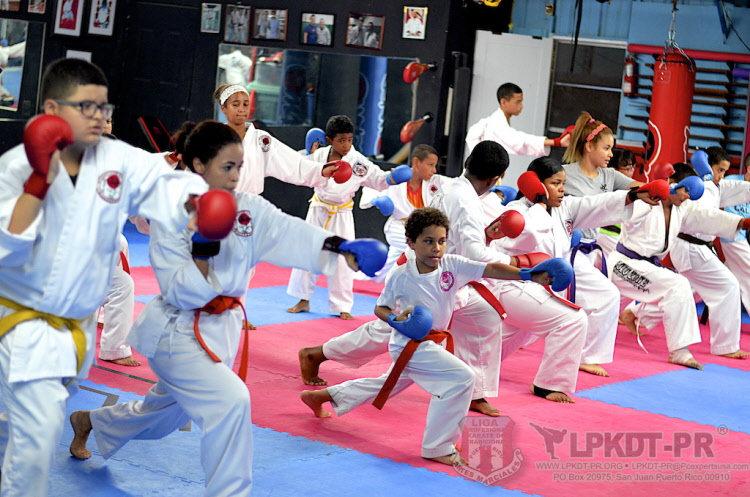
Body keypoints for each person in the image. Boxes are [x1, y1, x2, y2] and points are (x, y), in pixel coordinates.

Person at [68, 120, 387, 497]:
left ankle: (91, 421)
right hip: (178, 334)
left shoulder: (246, 207)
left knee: (162, 417)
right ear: (199, 165)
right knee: (232, 402)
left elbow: (289, 232)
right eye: (228, 166)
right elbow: (178, 288)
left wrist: (341, 248)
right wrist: (202, 250)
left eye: (240, 166)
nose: (237, 176)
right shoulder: (173, 211)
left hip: (222, 331)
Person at [0, 57, 213, 497]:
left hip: (75, 327)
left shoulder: (115, 165)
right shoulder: (17, 170)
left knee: (40, 413)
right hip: (26, 322)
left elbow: (165, 192)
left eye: (104, 107)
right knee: (36, 435)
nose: (99, 117)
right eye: (86, 107)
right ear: (53, 110)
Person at [299, 142, 588, 410]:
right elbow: (474, 253)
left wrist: (489, 237)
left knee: (484, 314)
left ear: (468, 162)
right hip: (422, 276)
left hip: (445, 273)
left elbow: (465, 243)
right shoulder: (465, 200)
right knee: (391, 333)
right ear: (496, 179)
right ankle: (318, 355)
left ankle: (474, 392)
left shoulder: (457, 188)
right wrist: (519, 264)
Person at [300, 207, 561, 465]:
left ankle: (320, 396)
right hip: (409, 343)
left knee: (386, 384)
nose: (436, 248)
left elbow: (490, 268)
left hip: (434, 342)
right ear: (411, 243)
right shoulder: (401, 275)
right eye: (428, 241)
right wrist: (396, 320)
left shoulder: (452, 265)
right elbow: (381, 307)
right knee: (462, 378)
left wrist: (527, 275)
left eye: (441, 241)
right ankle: (439, 446)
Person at [497, 158, 663, 377]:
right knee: (568, 321)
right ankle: (548, 383)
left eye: (563, 183)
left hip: (546, 285)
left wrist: (631, 196)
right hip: (518, 285)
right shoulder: (517, 210)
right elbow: (525, 236)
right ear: (537, 184)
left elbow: (595, 203)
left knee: (499, 342)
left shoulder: (565, 207)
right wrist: (540, 203)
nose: (562, 189)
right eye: (555, 183)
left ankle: (474, 364)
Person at [608, 163, 750, 370]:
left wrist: (743, 223)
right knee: (677, 286)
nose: (687, 197)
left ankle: (646, 326)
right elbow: (622, 204)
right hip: (624, 265)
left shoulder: (682, 208)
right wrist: (646, 192)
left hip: (648, 268)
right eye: (686, 191)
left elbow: (708, 216)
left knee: (676, 287)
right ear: (672, 185)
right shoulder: (645, 203)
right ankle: (679, 352)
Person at [286, 115, 411, 319]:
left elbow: (377, 178)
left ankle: (341, 305)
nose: (346, 145)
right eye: (341, 140)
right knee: (307, 251)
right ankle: (303, 299)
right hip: (318, 208)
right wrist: (309, 154)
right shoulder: (320, 155)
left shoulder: (358, 162)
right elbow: (301, 170)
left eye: (350, 140)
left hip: (341, 213)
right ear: (329, 140)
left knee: (344, 260)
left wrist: (391, 178)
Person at [359, 144, 447, 282]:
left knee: (387, 267)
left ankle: (360, 278)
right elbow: (374, 185)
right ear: (416, 162)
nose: (434, 170)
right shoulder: (397, 177)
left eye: (435, 166)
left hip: (423, 230)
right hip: (399, 227)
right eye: (430, 165)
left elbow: (458, 185)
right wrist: (377, 201)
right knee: (420, 249)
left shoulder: (436, 181)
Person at [465, 82, 571, 156]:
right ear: (504, 102)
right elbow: (518, 141)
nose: (521, 106)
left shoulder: (494, 122)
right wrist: (556, 142)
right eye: (518, 102)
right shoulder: (495, 123)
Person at [718, 151, 750, 315]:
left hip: (743, 237)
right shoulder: (731, 182)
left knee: (717, 281)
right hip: (731, 235)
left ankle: (648, 311)